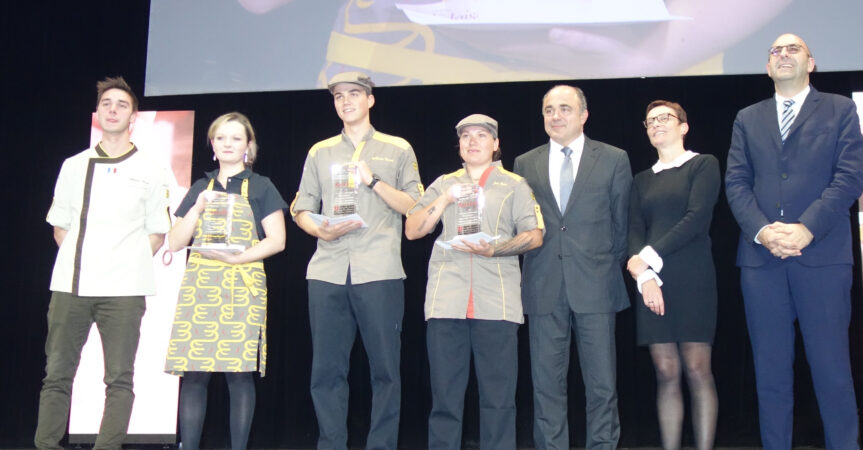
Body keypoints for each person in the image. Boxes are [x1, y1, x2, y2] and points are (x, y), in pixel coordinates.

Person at [725, 33, 863, 450]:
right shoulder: (748, 117)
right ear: (768, 67)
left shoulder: (839, 109)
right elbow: (736, 182)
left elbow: (849, 177)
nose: (783, 55)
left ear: (811, 62)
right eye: (775, 51)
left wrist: (807, 228)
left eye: (793, 49)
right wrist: (764, 232)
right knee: (770, 375)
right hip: (761, 261)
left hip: (822, 257)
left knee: (832, 372)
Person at [36, 76, 171, 449]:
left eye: (122, 104)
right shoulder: (73, 165)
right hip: (72, 284)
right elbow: (60, 227)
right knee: (57, 375)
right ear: (97, 113)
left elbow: (157, 232)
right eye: (107, 103)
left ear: (134, 118)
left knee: (119, 378)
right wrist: (90, 258)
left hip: (125, 290)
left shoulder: (150, 168)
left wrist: (121, 263)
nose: (113, 109)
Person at [290, 71, 423, 450]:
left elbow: (415, 205)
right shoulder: (320, 151)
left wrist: (373, 181)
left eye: (353, 94)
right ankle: (331, 444)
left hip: (379, 270)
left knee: (385, 371)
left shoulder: (397, 148)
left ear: (370, 99)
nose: (345, 101)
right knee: (327, 371)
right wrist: (318, 229)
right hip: (328, 269)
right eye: (337, 96)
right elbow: (301, 207)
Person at [405, 114, 544, 450]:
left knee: (498, 401)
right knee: (445, 401)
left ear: (495, 144)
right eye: (466, 136)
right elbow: (412, 230)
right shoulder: (442, 183)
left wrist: (494, 249)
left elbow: (535, 235)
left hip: (496, 303)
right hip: (446, 301)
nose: (472, 141)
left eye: (482, 135)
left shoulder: (514, 185)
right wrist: (445, 199)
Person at [513, 85, 632, 450]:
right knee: (546, 385)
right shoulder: (525, 163)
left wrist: (603, 269)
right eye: (549, 109)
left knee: (602, 386)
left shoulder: (613, 158)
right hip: (543, 284)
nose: (555, 116)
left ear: (583, 115)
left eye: (564, 109)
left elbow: (621, 224)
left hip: (596, 285)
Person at [163, 112, 287, 450]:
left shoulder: (261, 186)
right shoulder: (201, 187)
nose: (228, 144)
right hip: (201, 285)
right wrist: (197, 208)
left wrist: (237, 258)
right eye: (221, 138)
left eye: (236, 138)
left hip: (242, 283)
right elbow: (174, 242)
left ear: (249, 146)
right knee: (195, 373)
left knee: (239, 372)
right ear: (213, 146)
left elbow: (277, 240)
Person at [627, 101, 720, 450]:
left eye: (664, 118)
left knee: (697, 370)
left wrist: (647, 259)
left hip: (693, 278)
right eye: (650, 121)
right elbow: (634, 230)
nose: (656, 124)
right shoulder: (640, 180)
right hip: (653, 284)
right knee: (666, 372)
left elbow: (696, 219)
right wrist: (643, 277)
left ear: (683, 126)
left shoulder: (702, 165)